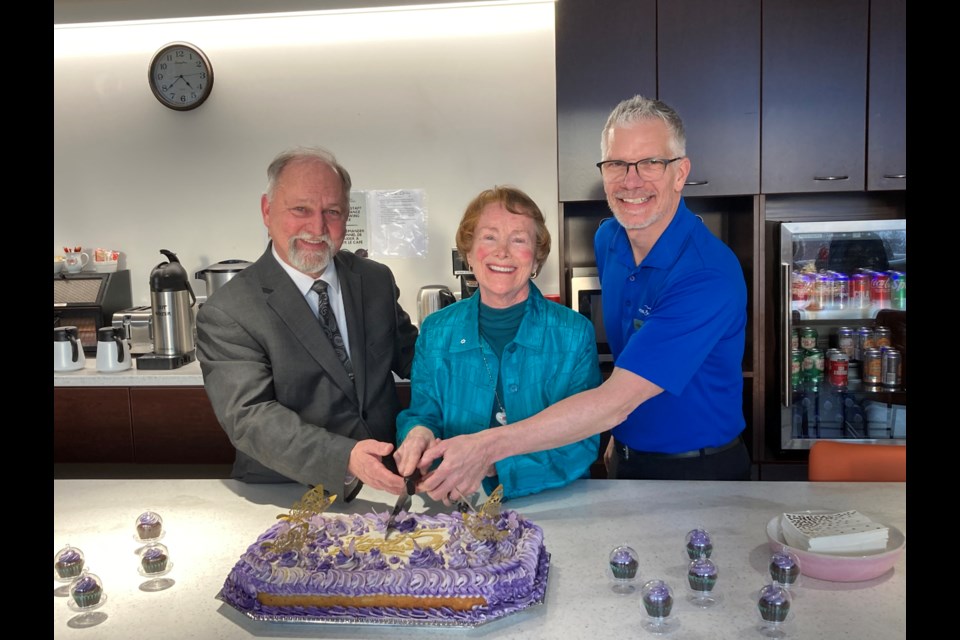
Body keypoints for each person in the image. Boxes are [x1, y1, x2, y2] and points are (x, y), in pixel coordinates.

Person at [413, 95, 751, 503]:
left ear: (680, 173)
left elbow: (615, 402)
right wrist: (622, 442)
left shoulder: (706, 275)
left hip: (698, 473)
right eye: (617, 164)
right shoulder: (611, 239)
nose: (631, 180)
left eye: (650, 163)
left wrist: (486, 447)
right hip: (626, 459)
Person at [196, 146, 418, 502]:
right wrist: (345, 458)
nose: (317, 227)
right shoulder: (229, 310)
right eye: (301, 209)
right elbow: (250, 417)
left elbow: (414, 357)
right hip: (287, 491)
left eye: (332, 212)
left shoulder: (374, 280)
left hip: (385, 486)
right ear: (267, 211)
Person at [393, 186, 601, 500]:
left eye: (518, 239)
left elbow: (582, 442)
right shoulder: (437, 331)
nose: (502, 251)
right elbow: (424, 414)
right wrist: (418, 435)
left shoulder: (574, 334)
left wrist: (492, 462)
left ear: (536, 256)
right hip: (459, 505)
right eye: (489, 237)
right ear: (468, 252)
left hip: (554, 504)